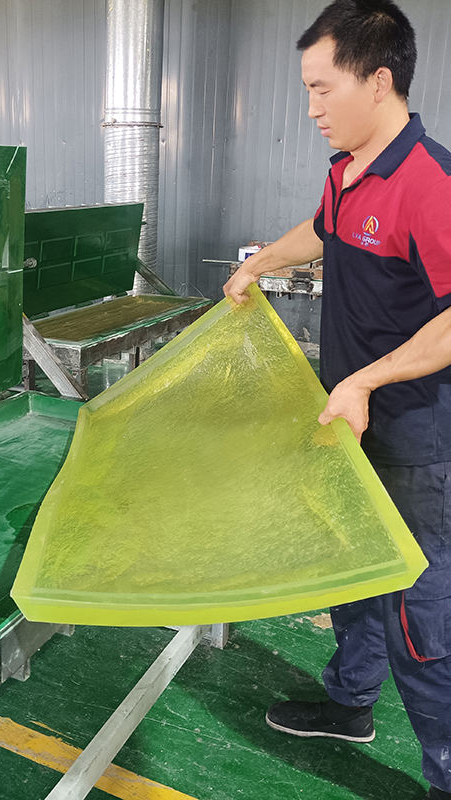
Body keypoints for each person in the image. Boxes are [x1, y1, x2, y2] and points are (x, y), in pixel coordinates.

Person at [222, 2, 451, 797]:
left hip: (414, 433)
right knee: (352, 569)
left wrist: (364, 380)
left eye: (323, 89)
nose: (313, 108)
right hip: (349, 420)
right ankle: (351, 703)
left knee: (419, 608)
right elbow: (322, 231)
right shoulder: (347, 171)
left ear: (379, 81)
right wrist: (258, 265)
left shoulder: (430, 184)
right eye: (307, 90)